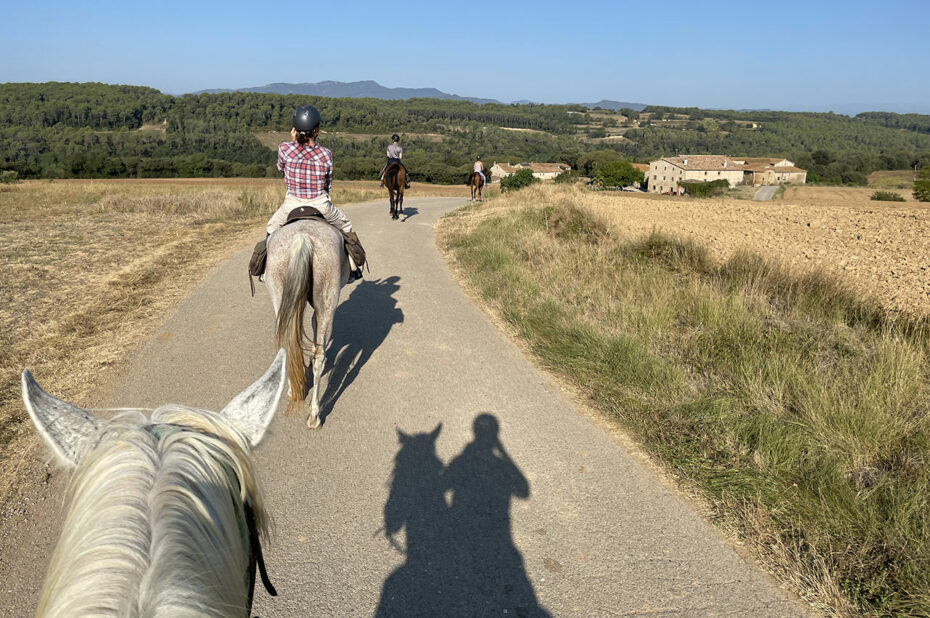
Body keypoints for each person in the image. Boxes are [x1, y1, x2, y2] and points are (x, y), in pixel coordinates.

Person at [261, 104, 364, 283]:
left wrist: (292, 142)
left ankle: (264, 269)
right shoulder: (326, 154)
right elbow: (328, 183)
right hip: (320, 204)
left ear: (295, 129)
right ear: (316, 130)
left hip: (292, 203)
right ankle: (353, 268)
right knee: (346, 226)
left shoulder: (284, 148)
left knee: (271, 229)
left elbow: (280, 168)